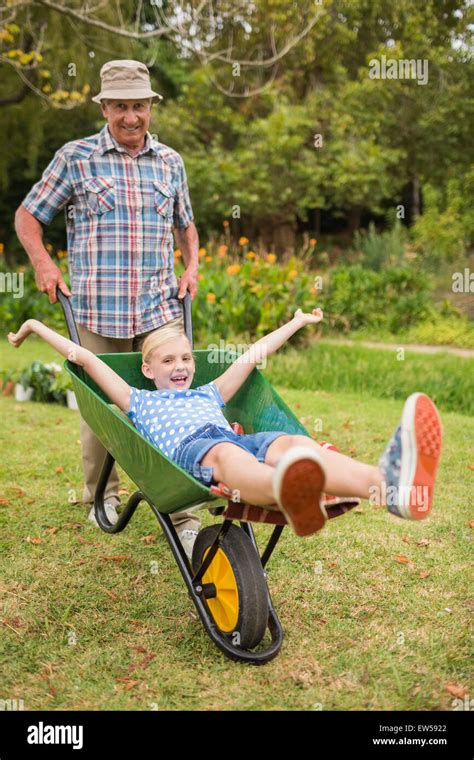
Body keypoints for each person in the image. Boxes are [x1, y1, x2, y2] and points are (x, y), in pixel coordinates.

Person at [7, 306, 443, 537]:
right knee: (227, 458)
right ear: (147, 369)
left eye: (185, 358)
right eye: (168, 360)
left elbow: (253, 355)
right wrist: (32, 325)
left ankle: (387, 486)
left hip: (233, 441)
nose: (181, 366)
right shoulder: (137, 400)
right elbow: (82, 356)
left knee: (292, 444)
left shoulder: (208, 392)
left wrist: (295, 323)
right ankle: (288, 493)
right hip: (195, 454)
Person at [13, 59, 201, 557]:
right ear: (104, 107)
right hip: (97, 310)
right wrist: (44, 265)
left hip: (160, 309)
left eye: (139, 105)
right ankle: (104, 498)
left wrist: (192, 267)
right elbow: (28, 216)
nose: (131, 116)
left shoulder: (171, 163)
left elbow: (186, 224)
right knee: (100, 411)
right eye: (121, 106)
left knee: (176, 401)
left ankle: (184, 511)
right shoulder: (76, 158)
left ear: (150, 108)